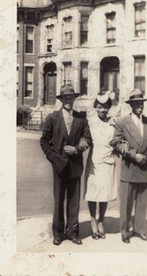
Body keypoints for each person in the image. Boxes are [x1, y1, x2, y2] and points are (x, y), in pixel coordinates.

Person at [40, 84, 92, 246]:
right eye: (65, 98)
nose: (68, 100)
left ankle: (73, 232)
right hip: (59, 166)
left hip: (75, 165)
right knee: (59, 200)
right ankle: (58, 233)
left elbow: (87, 139)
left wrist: (76, 149)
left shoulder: (81, 118)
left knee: (74, 201)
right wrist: (54, 158)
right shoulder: (52, 118)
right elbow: (44, 141)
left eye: (71, 97)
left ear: (74, 99)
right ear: (61, 100)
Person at [111, 88, 147, 244]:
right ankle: (124, 231)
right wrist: (132, 155)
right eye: (137, 104)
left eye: (141, 103)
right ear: (131, 105)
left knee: (142, 202)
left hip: (144, 166)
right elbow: (115, 144)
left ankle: (139, 230)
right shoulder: (122, 123)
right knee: (126, 203)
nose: (140, 107)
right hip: (130, 167)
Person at [84, 92, 117, 240]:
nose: (103, 110)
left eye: (105, 107)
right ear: (96, 108)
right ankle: (92, 219)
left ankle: (101, 220)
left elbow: (119, 139)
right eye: (100, 107)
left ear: (109, 108)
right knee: (93, 191)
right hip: (94, 161)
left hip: (108, 161)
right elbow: (84, 137)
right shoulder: (90, 122)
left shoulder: (113, 123)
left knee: (104, 193)